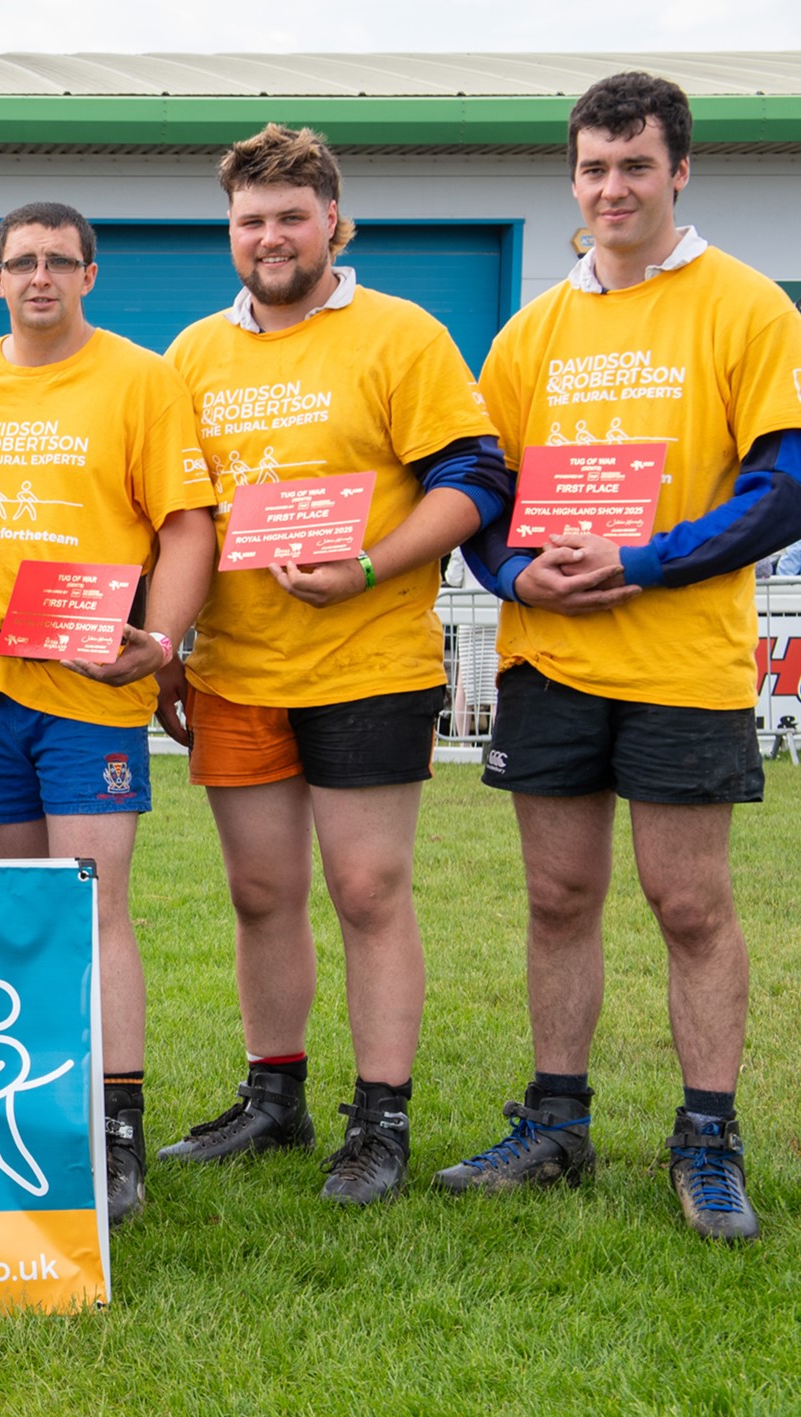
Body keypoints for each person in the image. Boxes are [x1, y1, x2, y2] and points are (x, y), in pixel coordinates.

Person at [445, 73, 801, 1241]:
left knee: (687, 903)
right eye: (593, 167)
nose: (611, 188)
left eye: (633, 166)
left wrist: (643, 562)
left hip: (680, 661)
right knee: (556, 898)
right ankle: (554, 1123)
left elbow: (782, 485)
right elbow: (480, 488)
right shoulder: (530, 329)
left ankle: (706, 1137)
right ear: (571, 175)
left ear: (679, 171)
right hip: (546, 660)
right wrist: (508, 574)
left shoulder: (746, 308)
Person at [159, 126, 510, 1207]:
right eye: (248, 221)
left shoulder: (400, 335)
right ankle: (274, 1099)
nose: (268, 237)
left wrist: (366, 565)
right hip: (235, 668)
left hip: (366, 658)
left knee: (365, 888)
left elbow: (472, 480)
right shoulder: (191, 355)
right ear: (230, 232)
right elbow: (174, 517)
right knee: (258, 890)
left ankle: (381, 1115)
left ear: (333, 224)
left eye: (288, 217)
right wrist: (163, 644)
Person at [0, 201, 216, 1225]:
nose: (38, 276)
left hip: (90, 690)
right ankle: (35, 1109)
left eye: (58, 260)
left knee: (91, 904)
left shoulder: (141, 379)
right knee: (21, 909)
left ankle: (115, 1130)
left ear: (89, 273)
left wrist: (161, 640)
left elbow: (184, 525)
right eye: (19, 261)